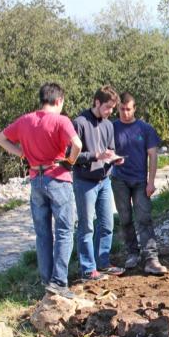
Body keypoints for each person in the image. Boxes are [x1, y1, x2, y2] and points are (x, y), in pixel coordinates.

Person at [0, 82, 82, 297]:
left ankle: (46, 279)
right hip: (57, 177)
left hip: (35, 178)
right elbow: (77, 144)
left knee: (42, 233)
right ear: (59, 100)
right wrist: (70, 161)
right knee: (64, 230)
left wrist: (20, 153)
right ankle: (59, 282)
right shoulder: (61, 120)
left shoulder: (25, 120)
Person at [72, 85, 125, 281]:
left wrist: (114, 158)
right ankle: (87, 269)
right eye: (108, 107)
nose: (110, 111)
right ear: (97, 102)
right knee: (86, 226)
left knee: (107, 224)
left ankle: (102, 263)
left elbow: (109, 150)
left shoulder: (109, 125)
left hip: (104, 180)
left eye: (112, 108)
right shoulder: (79, 123)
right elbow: (72, 157)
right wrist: (96, 156)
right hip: (84, 181)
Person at [111, 92, 167, 275]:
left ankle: (151, 257)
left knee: (144, 217)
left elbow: (153, 155)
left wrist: (151, 182)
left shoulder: (145, 129)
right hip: (119, 180)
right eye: (122, 109)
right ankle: (132, 253)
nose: (125, 113)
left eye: (128, 109)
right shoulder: (112, 128)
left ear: (134, 109)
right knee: (125, 218)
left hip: (140, 181)